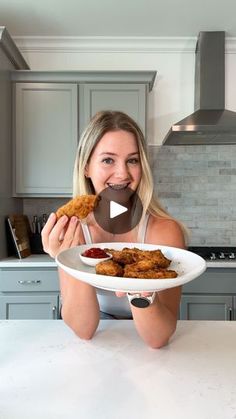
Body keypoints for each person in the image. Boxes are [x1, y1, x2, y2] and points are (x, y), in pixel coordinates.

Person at [42, 111, 187, 349]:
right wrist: (68, 258)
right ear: (86, 166)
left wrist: (137, 285)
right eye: (108, 160)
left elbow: (158, 338)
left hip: (150, 355)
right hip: (99, 346)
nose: (123, 174)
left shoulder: (164, 232)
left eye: (132, 160)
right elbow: (84, 329)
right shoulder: (73, 231)